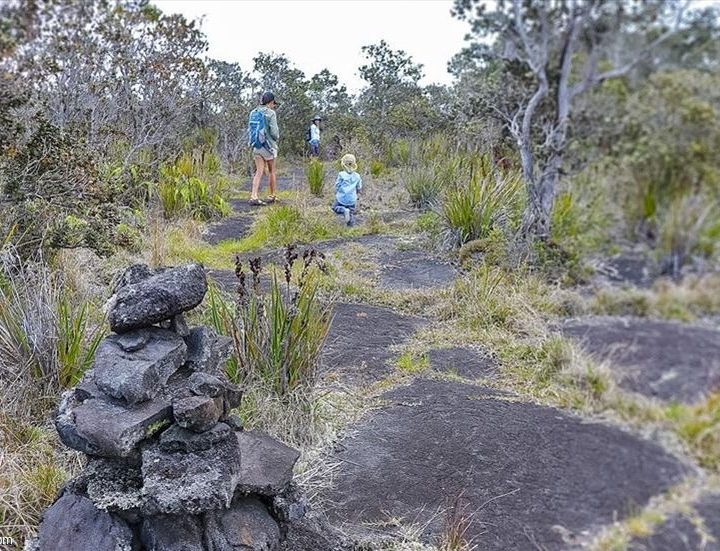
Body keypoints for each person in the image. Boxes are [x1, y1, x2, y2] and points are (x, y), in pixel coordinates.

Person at [249, 91, 280, 205]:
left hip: (256, 145)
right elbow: (274, 132)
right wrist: (276, 138)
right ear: (271, 102)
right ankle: (272, 195)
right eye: (273, 103)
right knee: (272, 171)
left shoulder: (253, 112)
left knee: (259, 171)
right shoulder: (270, 113)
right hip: (269, 146)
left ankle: (254, 195)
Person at [332, 154, 362, 226]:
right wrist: (357, 193)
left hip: (341, 197)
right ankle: (350, 227)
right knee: (351, 213)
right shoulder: (357, 176)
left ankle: (343, 210)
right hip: (352, 198)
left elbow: (337, 185)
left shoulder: (341, 174)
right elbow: (359, 187)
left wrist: (337, 191)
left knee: (335, 207)